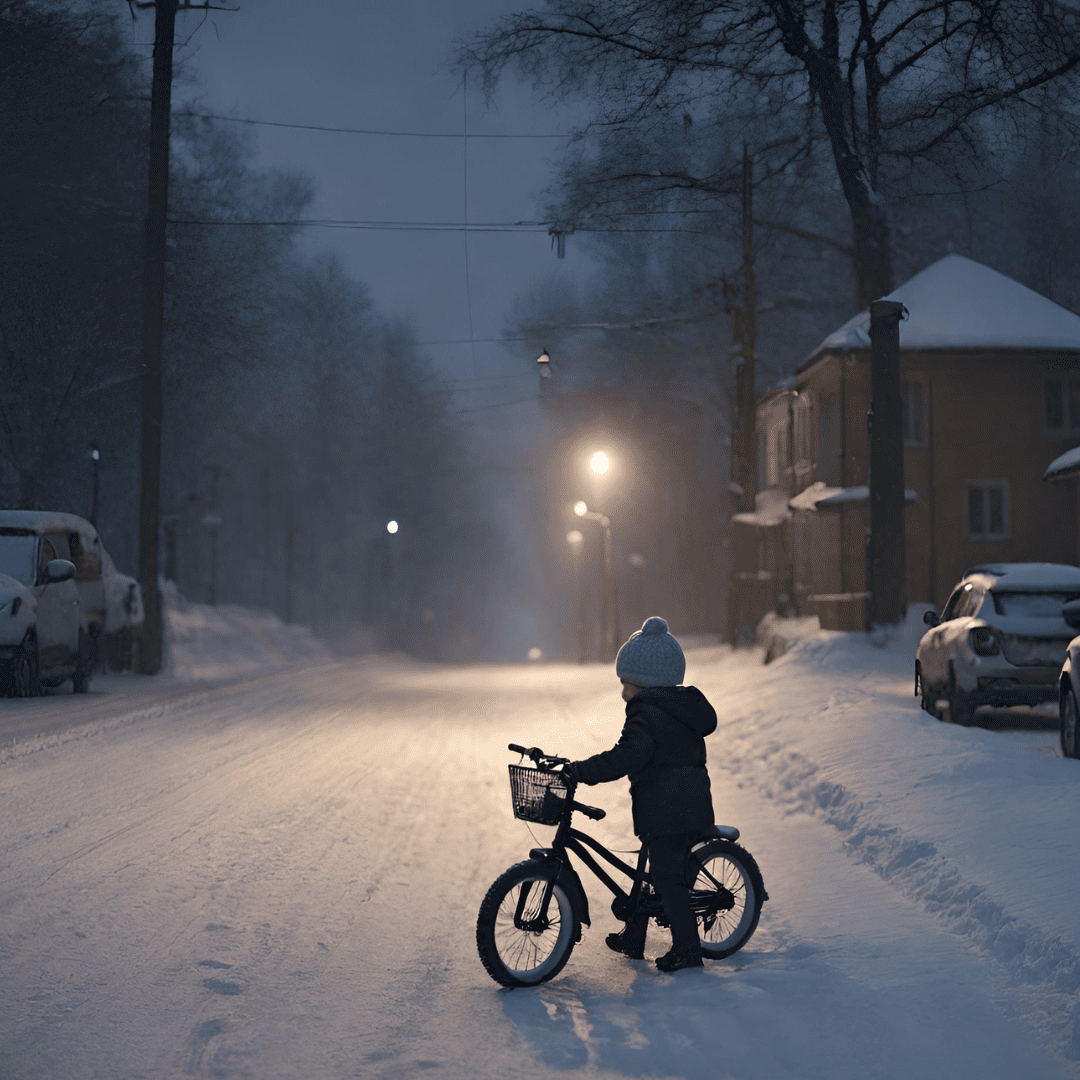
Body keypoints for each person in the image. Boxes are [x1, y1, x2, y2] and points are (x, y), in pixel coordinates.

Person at [563, 616, 717, 973]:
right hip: (673, 806)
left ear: (644, 683)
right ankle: (634, 937)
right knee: (645, 873)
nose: (621, 692)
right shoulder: (673, 707)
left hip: (672, 811)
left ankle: (688, 951)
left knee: (667, 880)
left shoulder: (648, 714)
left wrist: (582, 770)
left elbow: (627, 756)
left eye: (625, 683)